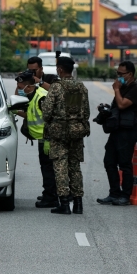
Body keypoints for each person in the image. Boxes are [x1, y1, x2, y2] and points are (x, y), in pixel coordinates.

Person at [41, 56, 90, 215]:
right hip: (77, 132)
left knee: (60, 166)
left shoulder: (56, 88)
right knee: (75, 167)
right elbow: (86, 113)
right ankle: (78, 204)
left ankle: (63, 203)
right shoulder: (81, 87)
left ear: (60, 69)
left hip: (59, 133)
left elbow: (47, 113)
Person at [97, 61, 137, 206]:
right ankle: (114, 193)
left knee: (124, 164)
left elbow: (123, 104)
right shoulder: (123, 87)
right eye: (117, 73)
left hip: (128, 131)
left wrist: (116, 89)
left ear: (130, 74)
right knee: (109, 161)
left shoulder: (135, 88)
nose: (118, 77)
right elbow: (117, 106)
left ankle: (125, 195)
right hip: (117, 130)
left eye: (121, 74)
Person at [15, 71, 58, 208]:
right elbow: (30, 113)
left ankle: (51, 197)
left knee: (48, 169)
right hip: (42, 138)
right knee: (46, 168)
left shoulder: (42, 97)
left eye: (20, 87)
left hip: (47, 140)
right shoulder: (32, 95)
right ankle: (50, 193)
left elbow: (52, 120)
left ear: (28, 86)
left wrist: (49, 139)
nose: (19, 89)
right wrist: (14, 110)